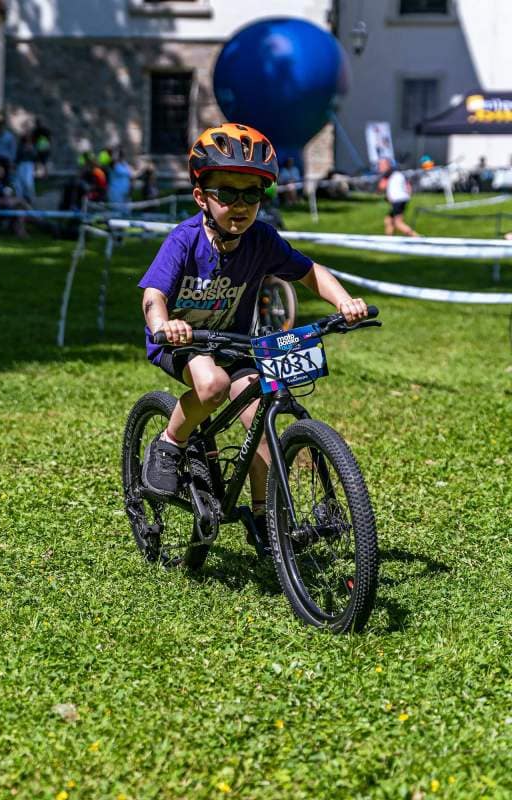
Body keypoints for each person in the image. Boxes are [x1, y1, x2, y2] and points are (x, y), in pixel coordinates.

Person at [137, 123, 369, 551]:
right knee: (212, 386)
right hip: (184, 341)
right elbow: (153, 295)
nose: (240, 205)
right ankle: (169, 444)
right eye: (227, 193)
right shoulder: (184, 240)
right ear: (201, 197)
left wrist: (343, 301)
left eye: (252, 194)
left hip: (236, 344)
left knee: (260, 414)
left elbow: (308, 271)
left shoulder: (260, 240)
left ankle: (265, 519)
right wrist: (162, 326)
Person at [380, 158, 419, 237]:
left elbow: (382, 186)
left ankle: (418, 238)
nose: (380, 167)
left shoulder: (388, 173)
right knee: (388, 221)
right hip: (402, 199)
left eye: (381, 165)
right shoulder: (398, 172)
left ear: (387, 165)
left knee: (398, 223)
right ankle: (389, 241)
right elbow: (408, 186)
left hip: (398, 200)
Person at [14, 132, 37, 203]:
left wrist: (31, 150)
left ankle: (29, 197)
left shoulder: (32, 146)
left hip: (29, 165)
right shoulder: (20, 146)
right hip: (21, 164)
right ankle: (21, 198)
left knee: (28, 182)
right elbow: (18, 156)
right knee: (20, 182)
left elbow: (35, 156)